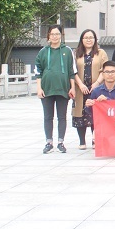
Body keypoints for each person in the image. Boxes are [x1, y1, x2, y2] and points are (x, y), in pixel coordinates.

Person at [36, 24, 76, 154]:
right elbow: (38, 71)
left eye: (57, 34)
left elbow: (72, 70)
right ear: (48, 36)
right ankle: (49, 142)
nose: (55, 36)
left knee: (62, 116)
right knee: (48, 117)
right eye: (52, 34)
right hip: (47, 89)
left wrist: (72, 88)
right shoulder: (43, 51)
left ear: (61, 35)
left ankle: (60, 142)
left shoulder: (67, 51)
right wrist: (39, 88)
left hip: (63, 89)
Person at [73, 29, 108, 150]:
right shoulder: (76, 53)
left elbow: (105, 69)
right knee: (80, 113)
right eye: (86, 38)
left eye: (91, 37)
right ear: (82, 40)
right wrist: (80, 84)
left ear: (95, 39)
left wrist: (97, 83)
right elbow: (72, 71)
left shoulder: (101, 53)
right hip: (80, 89)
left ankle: (95, 140)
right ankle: (82, 141)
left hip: (96, 88)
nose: (89, 40)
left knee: (95, 113)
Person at [86, 60, 115, 146]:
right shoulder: (96, 91)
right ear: (102, 74)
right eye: (107, 72)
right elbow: (91, 112)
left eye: (113, 72)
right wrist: (88, 106)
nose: (110, 74)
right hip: (103, 125)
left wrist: (107, 101)